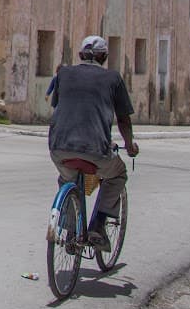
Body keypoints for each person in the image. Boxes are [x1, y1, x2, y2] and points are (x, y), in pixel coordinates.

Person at [48, 35, 138, 253]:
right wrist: (130, 145)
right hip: (95, 150)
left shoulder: (63, 74)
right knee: (118, 174)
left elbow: (60, 106)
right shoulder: (113, 78)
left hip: (59, 147)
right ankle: (98, 224)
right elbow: (123, 119)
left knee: (67, 177)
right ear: (104, 56)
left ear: (80, 55)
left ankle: (71, 231)